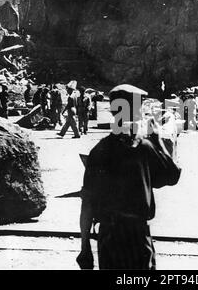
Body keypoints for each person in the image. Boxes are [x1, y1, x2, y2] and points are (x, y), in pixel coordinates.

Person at [77, 84, 181, 270]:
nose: (142, 113)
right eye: (140, 108)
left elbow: (87, 204)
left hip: (112, 236)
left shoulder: (101, 150)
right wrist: (159, 142)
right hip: (136, 236)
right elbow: (171, 176)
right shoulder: (144, 148)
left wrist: (85, 246)